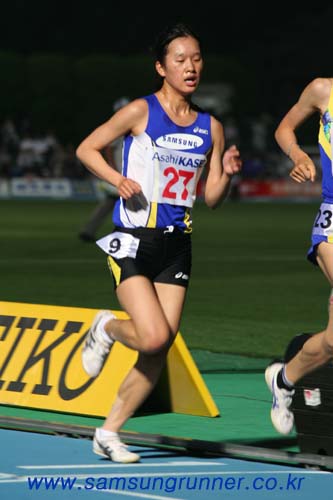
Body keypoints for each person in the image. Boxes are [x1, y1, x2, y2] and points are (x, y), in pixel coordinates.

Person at [76, 22, 242, 463]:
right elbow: (87, 149)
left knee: (160, 345)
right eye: (180, 59)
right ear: (161, 68)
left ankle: (108, 433)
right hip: (132, 239)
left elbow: (211, 199)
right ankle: (105, 328)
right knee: (151, 337)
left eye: (197, 58)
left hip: (178, 245)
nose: (191, 67)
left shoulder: (211, 126)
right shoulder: (140, 112)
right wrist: (118, 180)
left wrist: (226, 172)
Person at [265, 76, 333, 435]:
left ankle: (284, 380)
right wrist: (298, 154)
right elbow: (285, 129)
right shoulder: (323, 90)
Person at [78, 97, 130, 242]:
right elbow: (108, 148)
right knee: (128, 205)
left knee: (109, 204)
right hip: (121, 174)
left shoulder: (127, 125)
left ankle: (88, 231)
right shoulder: (119, 126)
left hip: (127, 173)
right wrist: (112, 169)